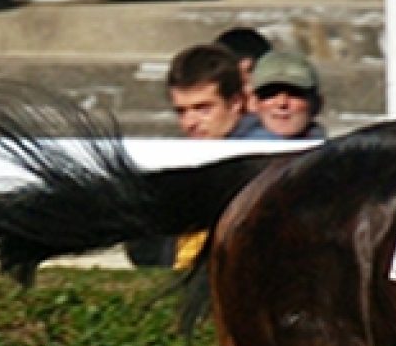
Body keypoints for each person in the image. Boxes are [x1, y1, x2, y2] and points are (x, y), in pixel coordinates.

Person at [127, 43, 272, 267]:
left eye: (203, 108)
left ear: (235, 103)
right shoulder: (183, 158)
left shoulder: (267, 157)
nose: (190, 122)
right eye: (181, 111)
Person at [247, 49, 328, 141]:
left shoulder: (337, 153)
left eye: (295, 93)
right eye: (270, 93)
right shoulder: (232, 151)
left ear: (317, 103)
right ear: (253, 103)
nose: (282, 103)